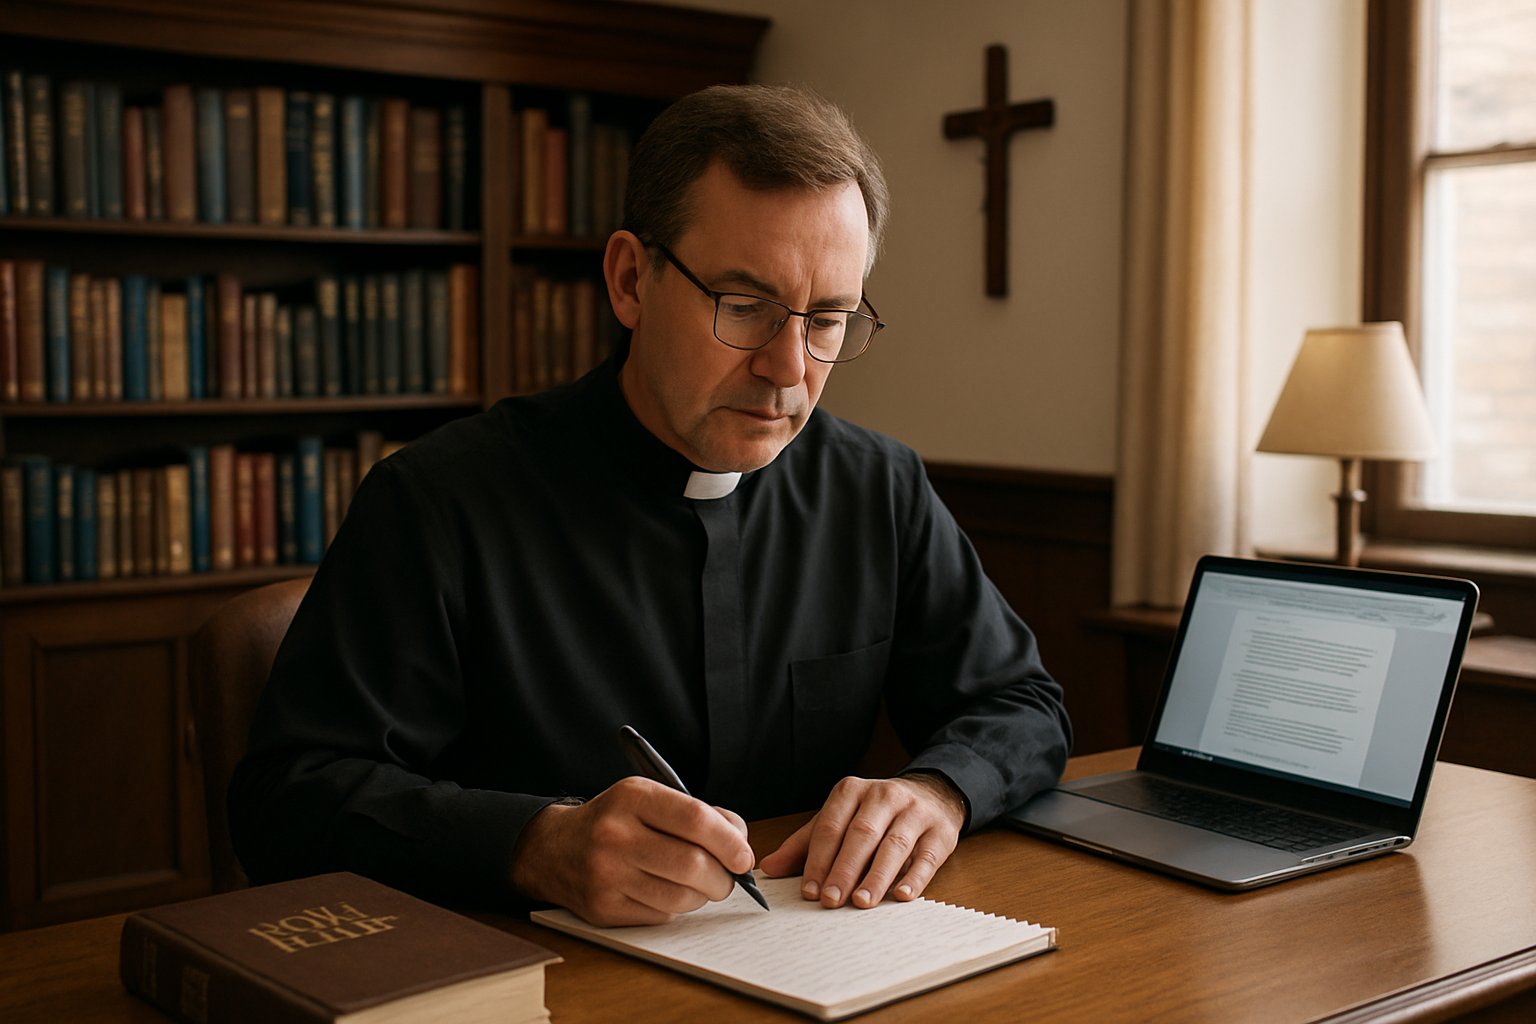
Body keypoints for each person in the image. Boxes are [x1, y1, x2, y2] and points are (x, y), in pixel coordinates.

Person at [229, 84, 1070, 927]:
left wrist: (939, 790)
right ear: (631, 280)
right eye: (744, 307)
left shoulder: (877, 489)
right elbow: (287, 801)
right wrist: (534, 845)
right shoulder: (439, 502)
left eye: (826, 320)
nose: (788, 366)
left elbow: (1021, 705)